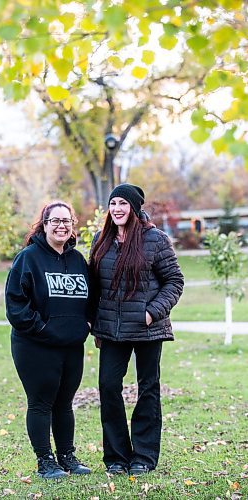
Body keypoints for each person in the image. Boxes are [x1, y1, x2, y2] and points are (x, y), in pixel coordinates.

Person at [89, 184, 184, 476]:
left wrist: (150, 313)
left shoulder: (155, 240)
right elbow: (94, 284)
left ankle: (143, 455)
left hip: (146, 329)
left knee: (148, 389)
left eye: (123, 203)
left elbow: (174, 282)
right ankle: (116, 457)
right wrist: (92, 320)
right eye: (113, 203)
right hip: (111, 330)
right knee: (108, 387)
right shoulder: (100, 239)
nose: (117, 208)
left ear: (134, 208)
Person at [5, 201, 91, 479]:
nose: (61, 226)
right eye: (54, 221)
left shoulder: (78, 261)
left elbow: (91, 299)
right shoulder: (28, 258)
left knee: (65, 402)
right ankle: (45, 461)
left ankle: (67, 457)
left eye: (66, 221)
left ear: (72, 225)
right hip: (35, 345)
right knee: (41, 402)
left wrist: (85, 325)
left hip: (71, 346)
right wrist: (42, 329)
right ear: (44, 225)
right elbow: (16, 305)